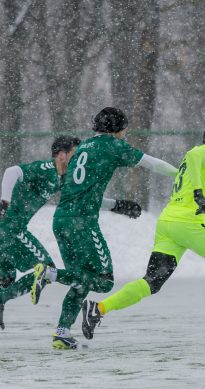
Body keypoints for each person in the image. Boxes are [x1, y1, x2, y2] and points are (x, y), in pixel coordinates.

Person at [80, 124, 205, 341]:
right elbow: (195, 155)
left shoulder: (196, 165)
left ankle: (99, 308)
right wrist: (197, 191)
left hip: (168, 224)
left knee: (151, 281)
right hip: (187, 223)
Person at [33, 107, 178, 349]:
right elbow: (152, 164)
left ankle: (62, 331)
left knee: (82, 280)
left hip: (62, 219)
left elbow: (80, 192)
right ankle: (50, 274)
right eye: (124, 129)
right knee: (104, 281)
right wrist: (182, 174)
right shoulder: (112, 145)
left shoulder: (82, 149)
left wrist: (116, 205)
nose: (125, 134)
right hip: (83, 223)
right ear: (118, 129)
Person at [0, 136, 80, 330]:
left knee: (6, 278)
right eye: (74, 155)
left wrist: (117, 206)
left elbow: (83, 198)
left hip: (10, 229)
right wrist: (3, 202)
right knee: (46, 269)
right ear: (61, 155)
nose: (78, 160)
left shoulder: (62, 179)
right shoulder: (46, 168)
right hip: (9, 228)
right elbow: (12, 171)